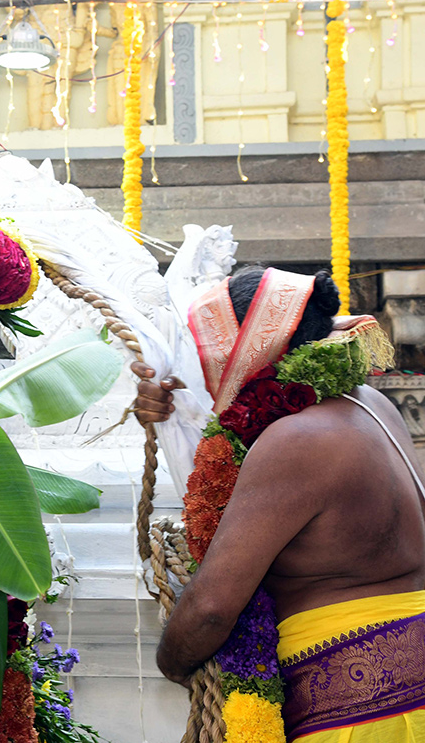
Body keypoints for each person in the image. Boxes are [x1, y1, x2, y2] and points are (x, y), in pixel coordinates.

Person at [133, 265, 425, 741]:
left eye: (208, 354)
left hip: (356, 716)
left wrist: (173, 663)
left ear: (245, 351)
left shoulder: (296, 441)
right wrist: (171, 412)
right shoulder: (371, 404)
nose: (207, 372)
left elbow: (211, 608)